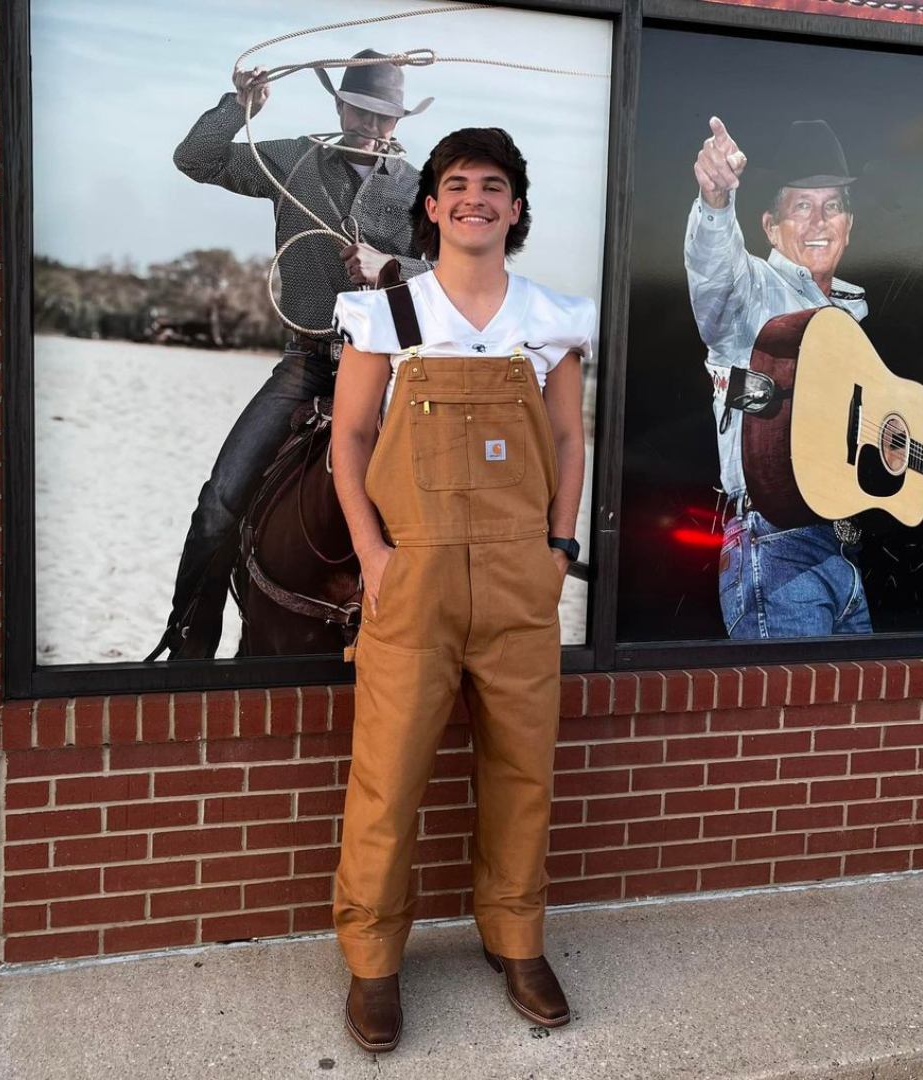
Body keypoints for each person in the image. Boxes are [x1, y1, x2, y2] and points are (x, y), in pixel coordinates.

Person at [329, 127, 595, 1052]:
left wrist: (558, 547)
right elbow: (351, 440)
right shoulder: (387, 316)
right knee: (388, 778)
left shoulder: (551, 318)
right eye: (456, 185)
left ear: (514, 210)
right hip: (415, 580)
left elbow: (569, 441)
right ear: (431, 207)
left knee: (524, 773)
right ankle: (372, 962)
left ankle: (516, 941)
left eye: (494, 185)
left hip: (522, 579)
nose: (474, 197)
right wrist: (375, 554)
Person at [147, 50, 432, 660]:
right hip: (308, 363)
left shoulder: (420, 188)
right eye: (360, 108)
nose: (371, 123)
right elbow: (196, 160)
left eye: (383, 115)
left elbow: (454, 274)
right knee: (220, 500)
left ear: (399, 118)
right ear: (339, 103)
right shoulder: (293, 159)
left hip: (391, 371)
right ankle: (188, 645)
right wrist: (237, 107)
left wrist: (394, 269)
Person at [686, 116, 923, 640]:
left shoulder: (849, 327)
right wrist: (716, 202)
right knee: (792, 721)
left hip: (842, 555)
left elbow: (865, 478)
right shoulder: (753, 295)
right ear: (771, 226)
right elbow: (713, 276)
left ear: (849, 225)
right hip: (776, 552)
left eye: (832, 205)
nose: (819, 221)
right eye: (802, 206)